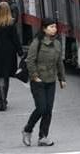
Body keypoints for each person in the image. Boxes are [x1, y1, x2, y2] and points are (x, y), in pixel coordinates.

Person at [22, 18, 66, 147]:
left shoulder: (57, 43)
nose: (54, 29)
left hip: (51, 80)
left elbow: (59, 62)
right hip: (38, 81)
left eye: (55, 27)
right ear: (44, 29)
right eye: (51, 27)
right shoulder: (37, 42)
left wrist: (62, 79)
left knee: (48, 110)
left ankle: (43, 136)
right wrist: (35, 76)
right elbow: (30, 60)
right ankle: (27, 130)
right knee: (41, 108)